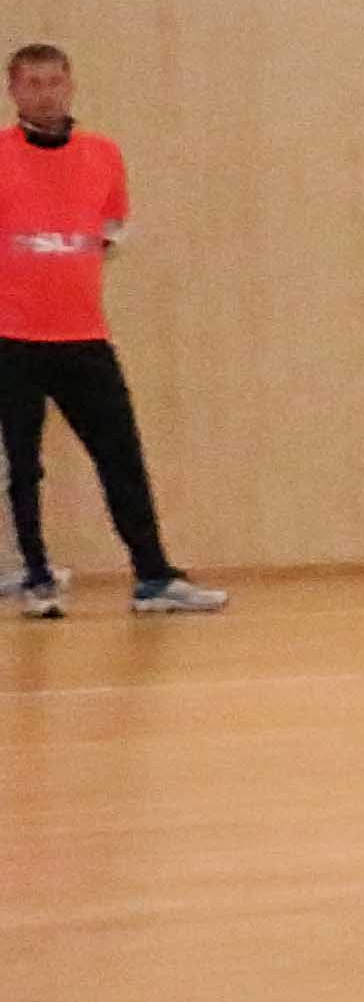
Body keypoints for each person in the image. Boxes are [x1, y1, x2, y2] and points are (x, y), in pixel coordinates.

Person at [2, 44, 222, 616]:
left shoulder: (103, 154)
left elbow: (111, 228)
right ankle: (36, 577)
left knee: (120, 455)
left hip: (83, 336)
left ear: (70, 85)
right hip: (12, 338)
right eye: (33, 84)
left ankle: (153, 577)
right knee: (22, 464)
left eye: (55, 81)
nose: (46, 94)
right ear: (14, 91)